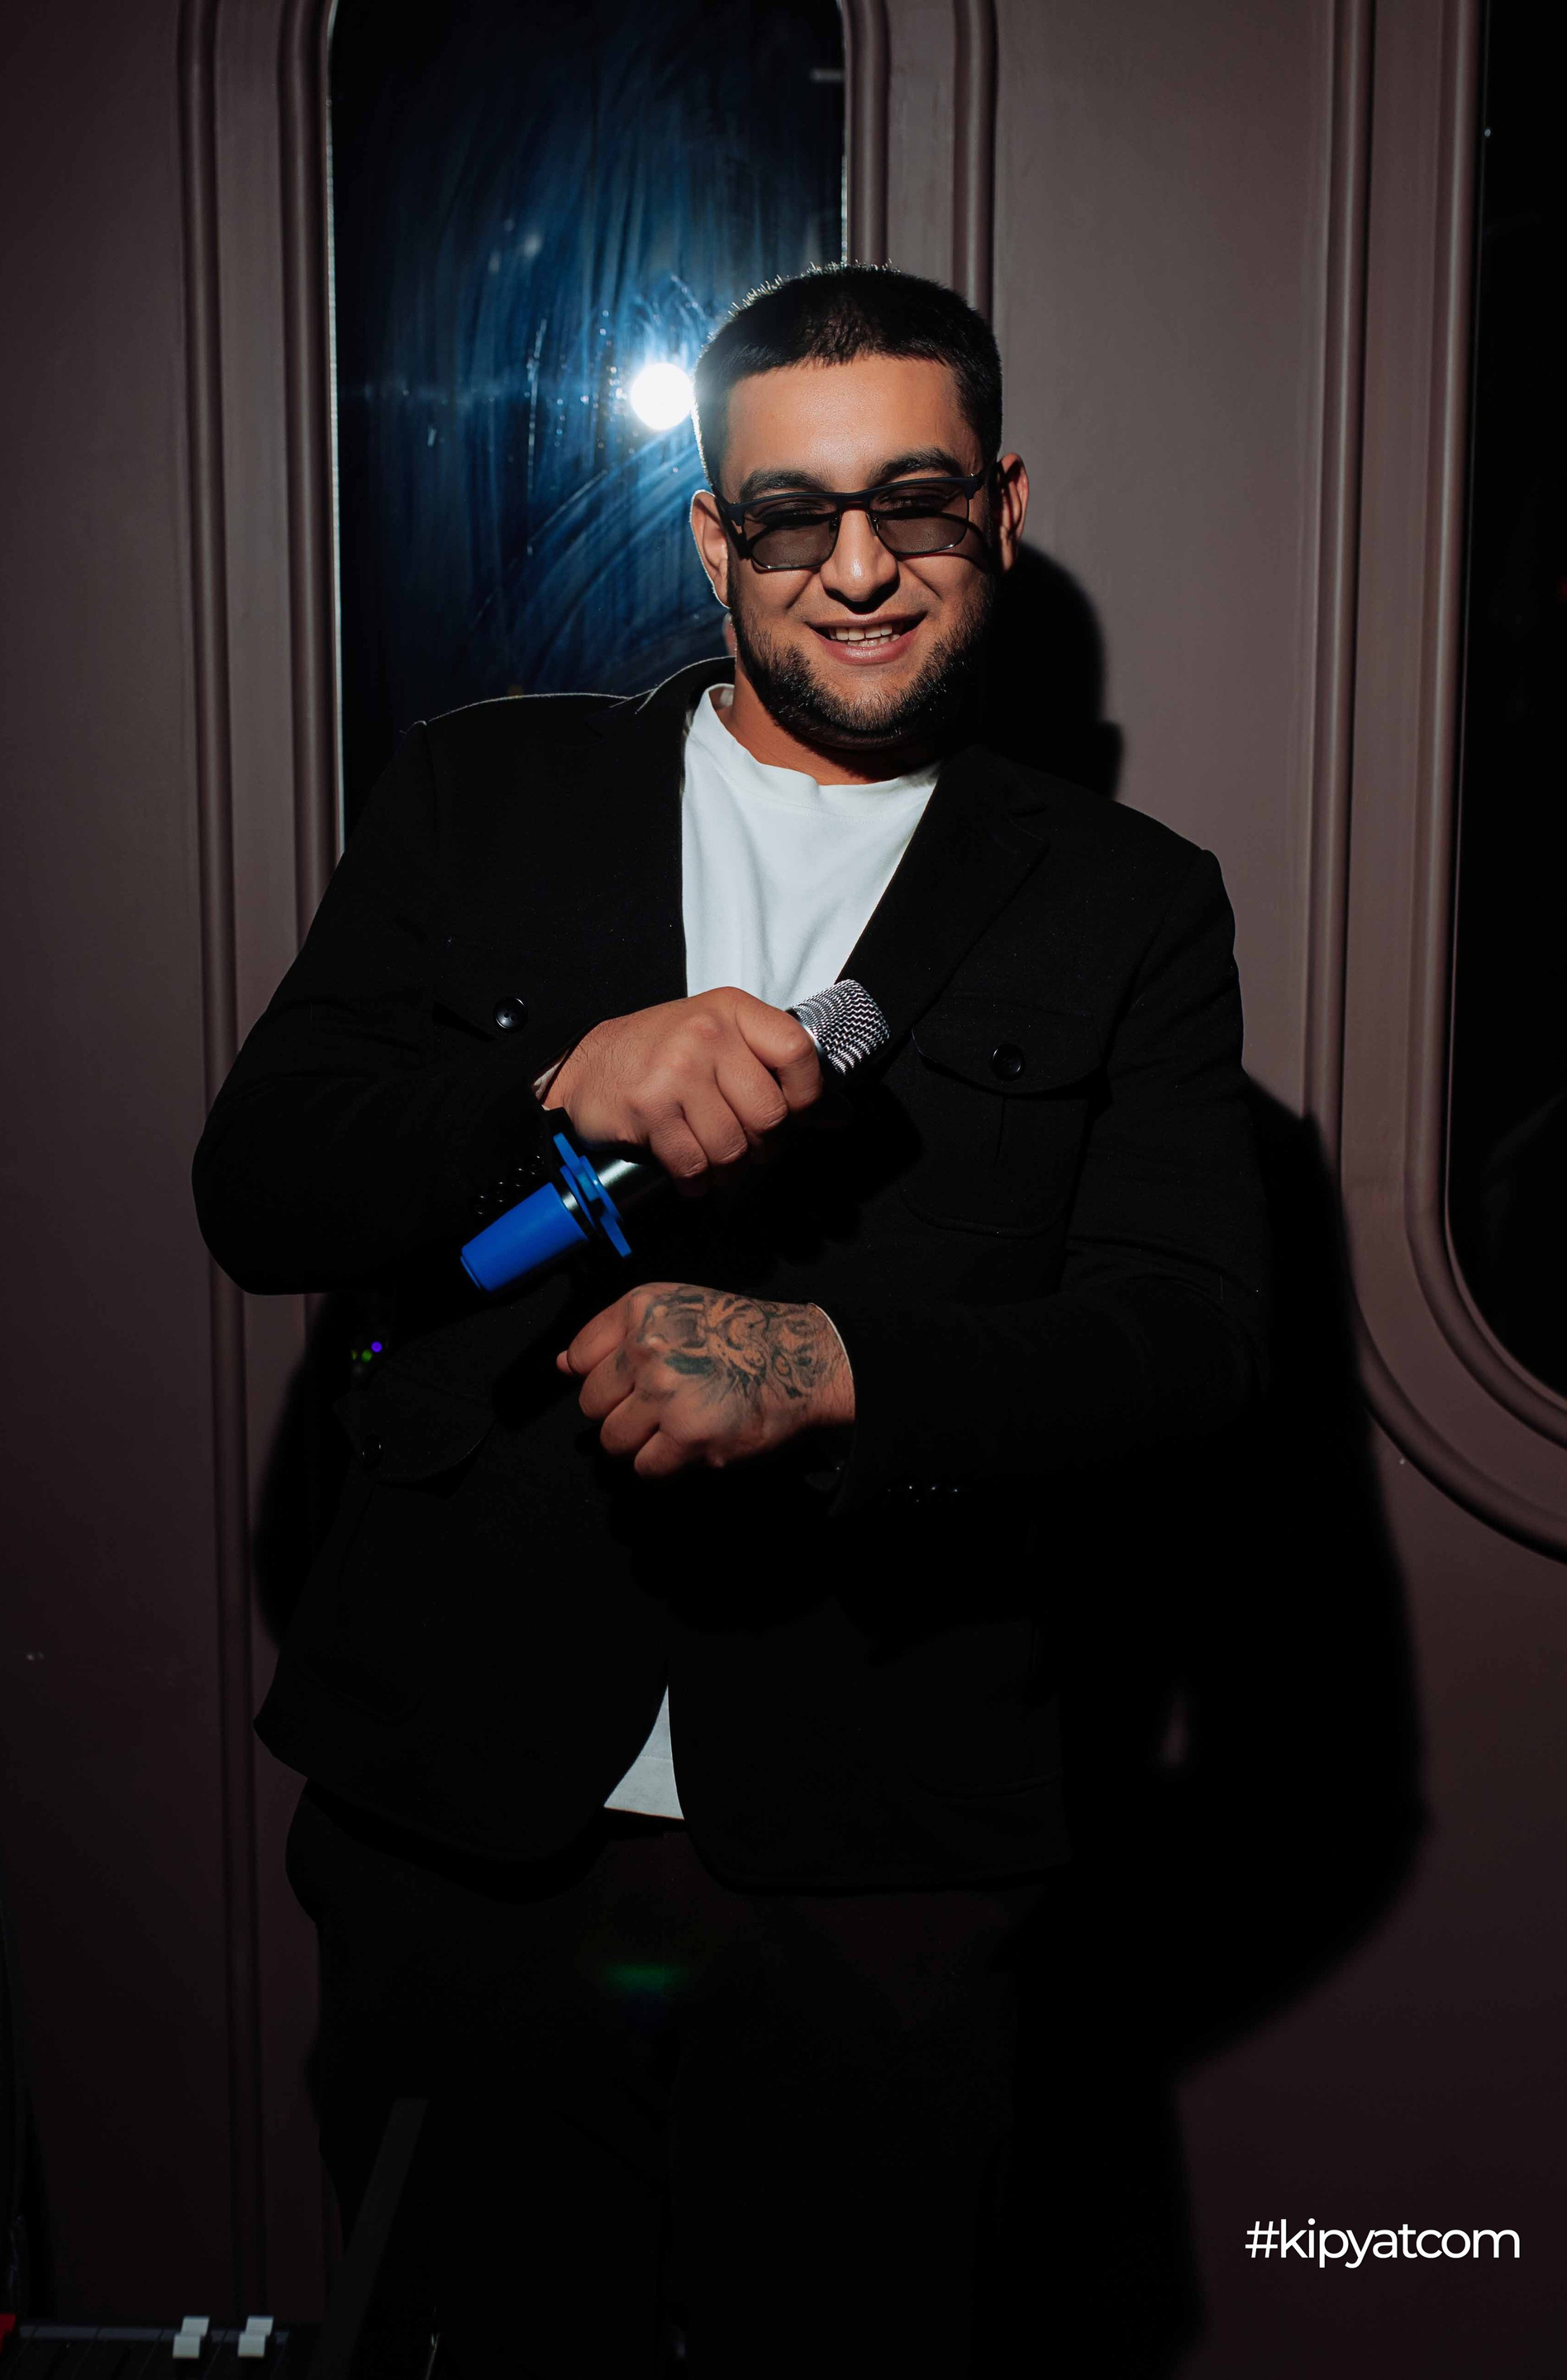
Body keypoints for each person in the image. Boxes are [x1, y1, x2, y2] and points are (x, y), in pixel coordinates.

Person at [193, 264, 1268, 2378]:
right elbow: (261, 1191)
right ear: (713, 538)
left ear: (1001, 508)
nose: (856, 569)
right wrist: (552, 1084)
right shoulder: (481, 796)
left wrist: (834, 1370)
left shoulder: (1131, 899)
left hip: (885, 1858)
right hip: (463, 1823)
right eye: (789, 515)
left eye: (915, 504)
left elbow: (1192, 1338)